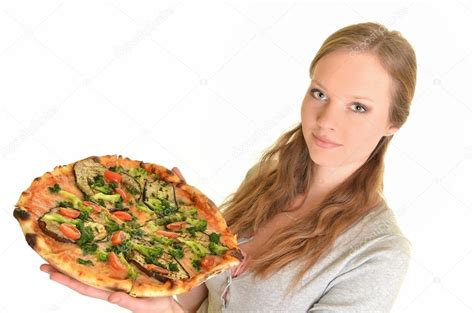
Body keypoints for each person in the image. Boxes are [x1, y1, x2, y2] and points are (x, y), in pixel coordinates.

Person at [41, 21, 417, 312]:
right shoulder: (268, 180)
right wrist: (170, 246)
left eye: (358, 107)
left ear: (393, 124)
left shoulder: (378, 252)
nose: (325, 120)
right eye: (320, 94)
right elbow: (206, 296)